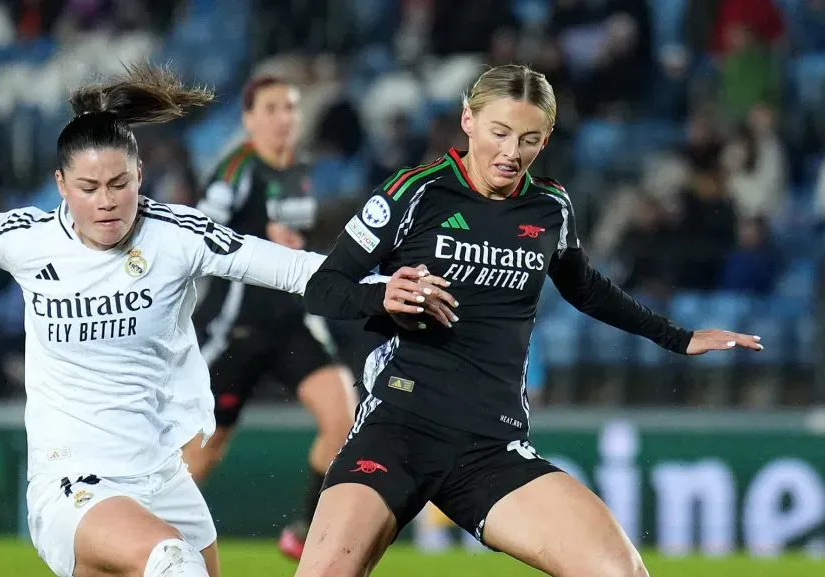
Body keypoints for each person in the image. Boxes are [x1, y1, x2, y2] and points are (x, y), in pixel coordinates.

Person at [296, 64, 764, 577]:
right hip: (396, 430)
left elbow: (585, 287)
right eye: (499, 133)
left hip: (491, 445)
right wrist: (384, 295)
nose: (511, 153)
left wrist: (677, 337)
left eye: (529, 139)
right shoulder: (415, 192)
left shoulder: (550, 207)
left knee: (620, 572)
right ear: (468, 120)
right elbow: (324, 288)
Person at [0, 64, 332, 577]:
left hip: (163, 477)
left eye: (118, 183)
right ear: (60, 184)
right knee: (170, 561)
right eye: (88, 187)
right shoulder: (27, 241)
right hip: (74, 481)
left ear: (140, 177)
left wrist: (376, 286)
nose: (106, 201)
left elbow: (286, 266)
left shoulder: (176, 237)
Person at [182, 75, 355, 560]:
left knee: (344, 418)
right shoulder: (233, 171)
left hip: (292, 322)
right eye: (273, 107)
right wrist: (259, 237)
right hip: (235, 328)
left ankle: (306, 534)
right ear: (249, 118)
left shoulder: (298, 170)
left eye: (291, 108)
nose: (284, 118)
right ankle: (154, 539)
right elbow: (197, 239)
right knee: (204, 453)